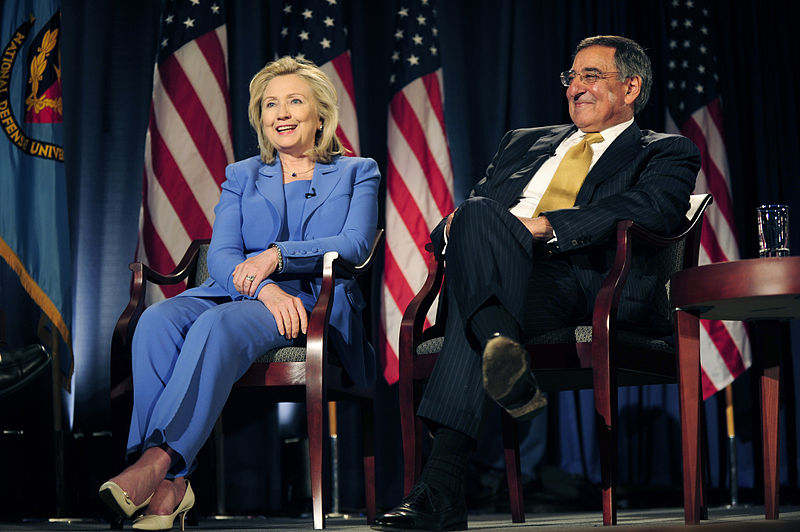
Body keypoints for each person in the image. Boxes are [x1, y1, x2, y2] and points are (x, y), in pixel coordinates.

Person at [372, 35, 701, 531]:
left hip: (586, 283)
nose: (575, 88)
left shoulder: (666, 151)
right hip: (504, 274)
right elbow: (457, 221)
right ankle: (499, 348)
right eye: (571, 77)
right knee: (479, 219)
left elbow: (652, 209)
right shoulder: (523, 142)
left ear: (631, 87)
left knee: (472, 305)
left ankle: (443, 485)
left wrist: (547, 225)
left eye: (591, 76)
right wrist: (481, 228)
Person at [99, 56, 380, 530]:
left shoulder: (357, 172)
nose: (282, 113)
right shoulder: (243, 174)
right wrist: (267, 289)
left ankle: (153, 465)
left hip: (314, 301)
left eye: (295, 102)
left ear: (320, 116)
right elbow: (225, 254)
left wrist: (277, 256)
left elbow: (353, 244)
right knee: (156, 320)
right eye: (271, 104)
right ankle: (170, 485)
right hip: (247, 293)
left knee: (216, 324)